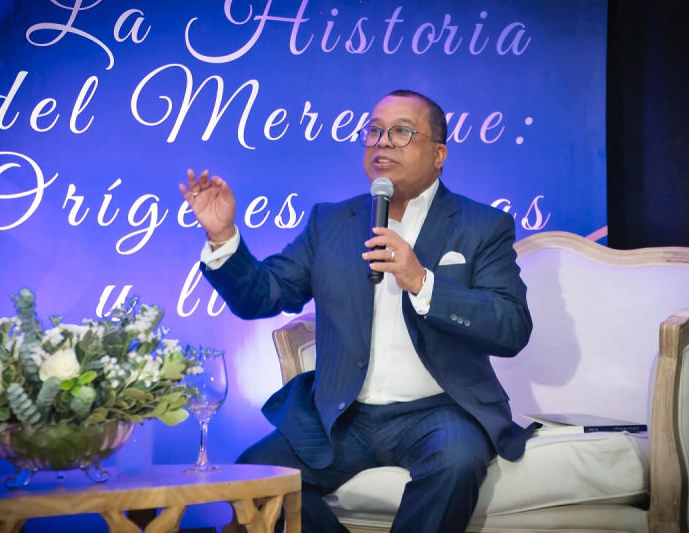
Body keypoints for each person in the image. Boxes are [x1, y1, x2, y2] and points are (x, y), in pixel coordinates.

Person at [179, 89, 534, 533]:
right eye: (374, 131)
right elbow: (262, 295)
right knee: (254, 477)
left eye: (401, 132)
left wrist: (423, 282)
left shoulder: (481, 225)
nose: (382, 142)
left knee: (457, 463)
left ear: (439, 153)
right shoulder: (330, 223)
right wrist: (224, 238)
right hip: (343, 418)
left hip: (439, 411)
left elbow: (512, 326)